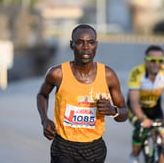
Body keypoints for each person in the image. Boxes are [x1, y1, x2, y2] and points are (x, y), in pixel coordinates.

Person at [36, 24, 128, 163]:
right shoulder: (57, 73)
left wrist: (113, 110)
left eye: (90, 43)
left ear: (96, 45)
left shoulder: (108, 75)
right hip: (64, 147)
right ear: (72, 45)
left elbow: (124, 113)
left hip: (95, 148)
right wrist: (44, 120)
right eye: (80, 42)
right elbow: (42, 95)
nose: (86, 47)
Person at [127, 45, 164, 163]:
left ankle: (160, 157)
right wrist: (142, 118)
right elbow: (134, 101)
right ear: (146, 60)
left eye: (160, 61)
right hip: (136, 108)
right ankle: (134, 156)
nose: (156, 63)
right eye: (153, 60)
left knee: (162, 136)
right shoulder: (136, 72)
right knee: (140, 130)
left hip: (154, 108)